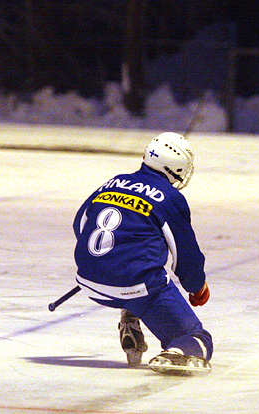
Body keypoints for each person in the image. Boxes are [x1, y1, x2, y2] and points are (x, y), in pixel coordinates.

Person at [72, 132, 212, 375]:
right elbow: (186, 258)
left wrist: (105, 262)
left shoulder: (112, 183)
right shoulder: (170, 197)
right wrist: (197, 287)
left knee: (131, 282)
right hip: (138, 288)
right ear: (177, 167)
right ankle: (178, 351)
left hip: (89, 282)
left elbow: (80, 225)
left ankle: (130, 315)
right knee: (199, 338)